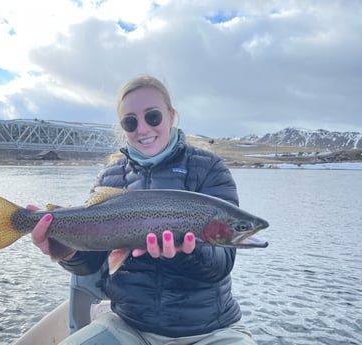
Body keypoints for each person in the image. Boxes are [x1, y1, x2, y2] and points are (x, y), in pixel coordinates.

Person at [31, 75, 257, 344]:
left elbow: (221, 265)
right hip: (129, 326)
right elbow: (92, 263)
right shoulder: (109, 177)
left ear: (171, 116)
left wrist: (186, 252)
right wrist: (65, 248)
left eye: (152, 117)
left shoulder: (209, 169)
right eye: (130, 121)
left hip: (211, 330)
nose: (142, 128)